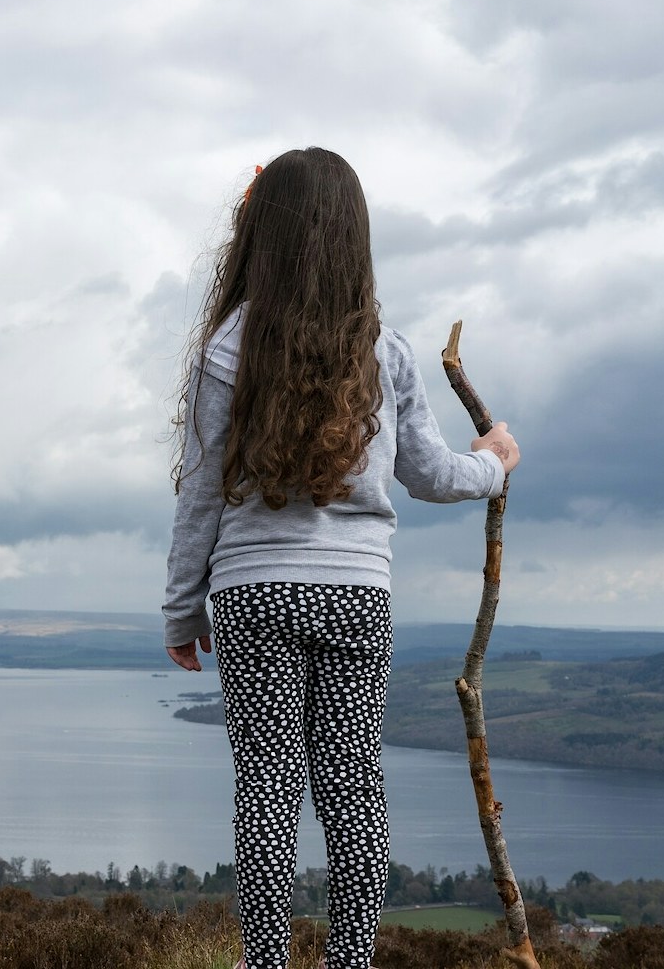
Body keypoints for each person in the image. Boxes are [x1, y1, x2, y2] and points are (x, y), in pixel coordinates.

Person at [160, 147, 520, 969]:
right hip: (358, 596)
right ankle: (349, 962)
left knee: (267, 795)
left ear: (261, 234)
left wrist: (182, 609)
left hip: (253, 596)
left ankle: (264, 964)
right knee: (354, 789)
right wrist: (494, 461)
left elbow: (201, 498)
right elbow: (431, 474)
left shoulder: (226, 346)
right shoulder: (384, 352)